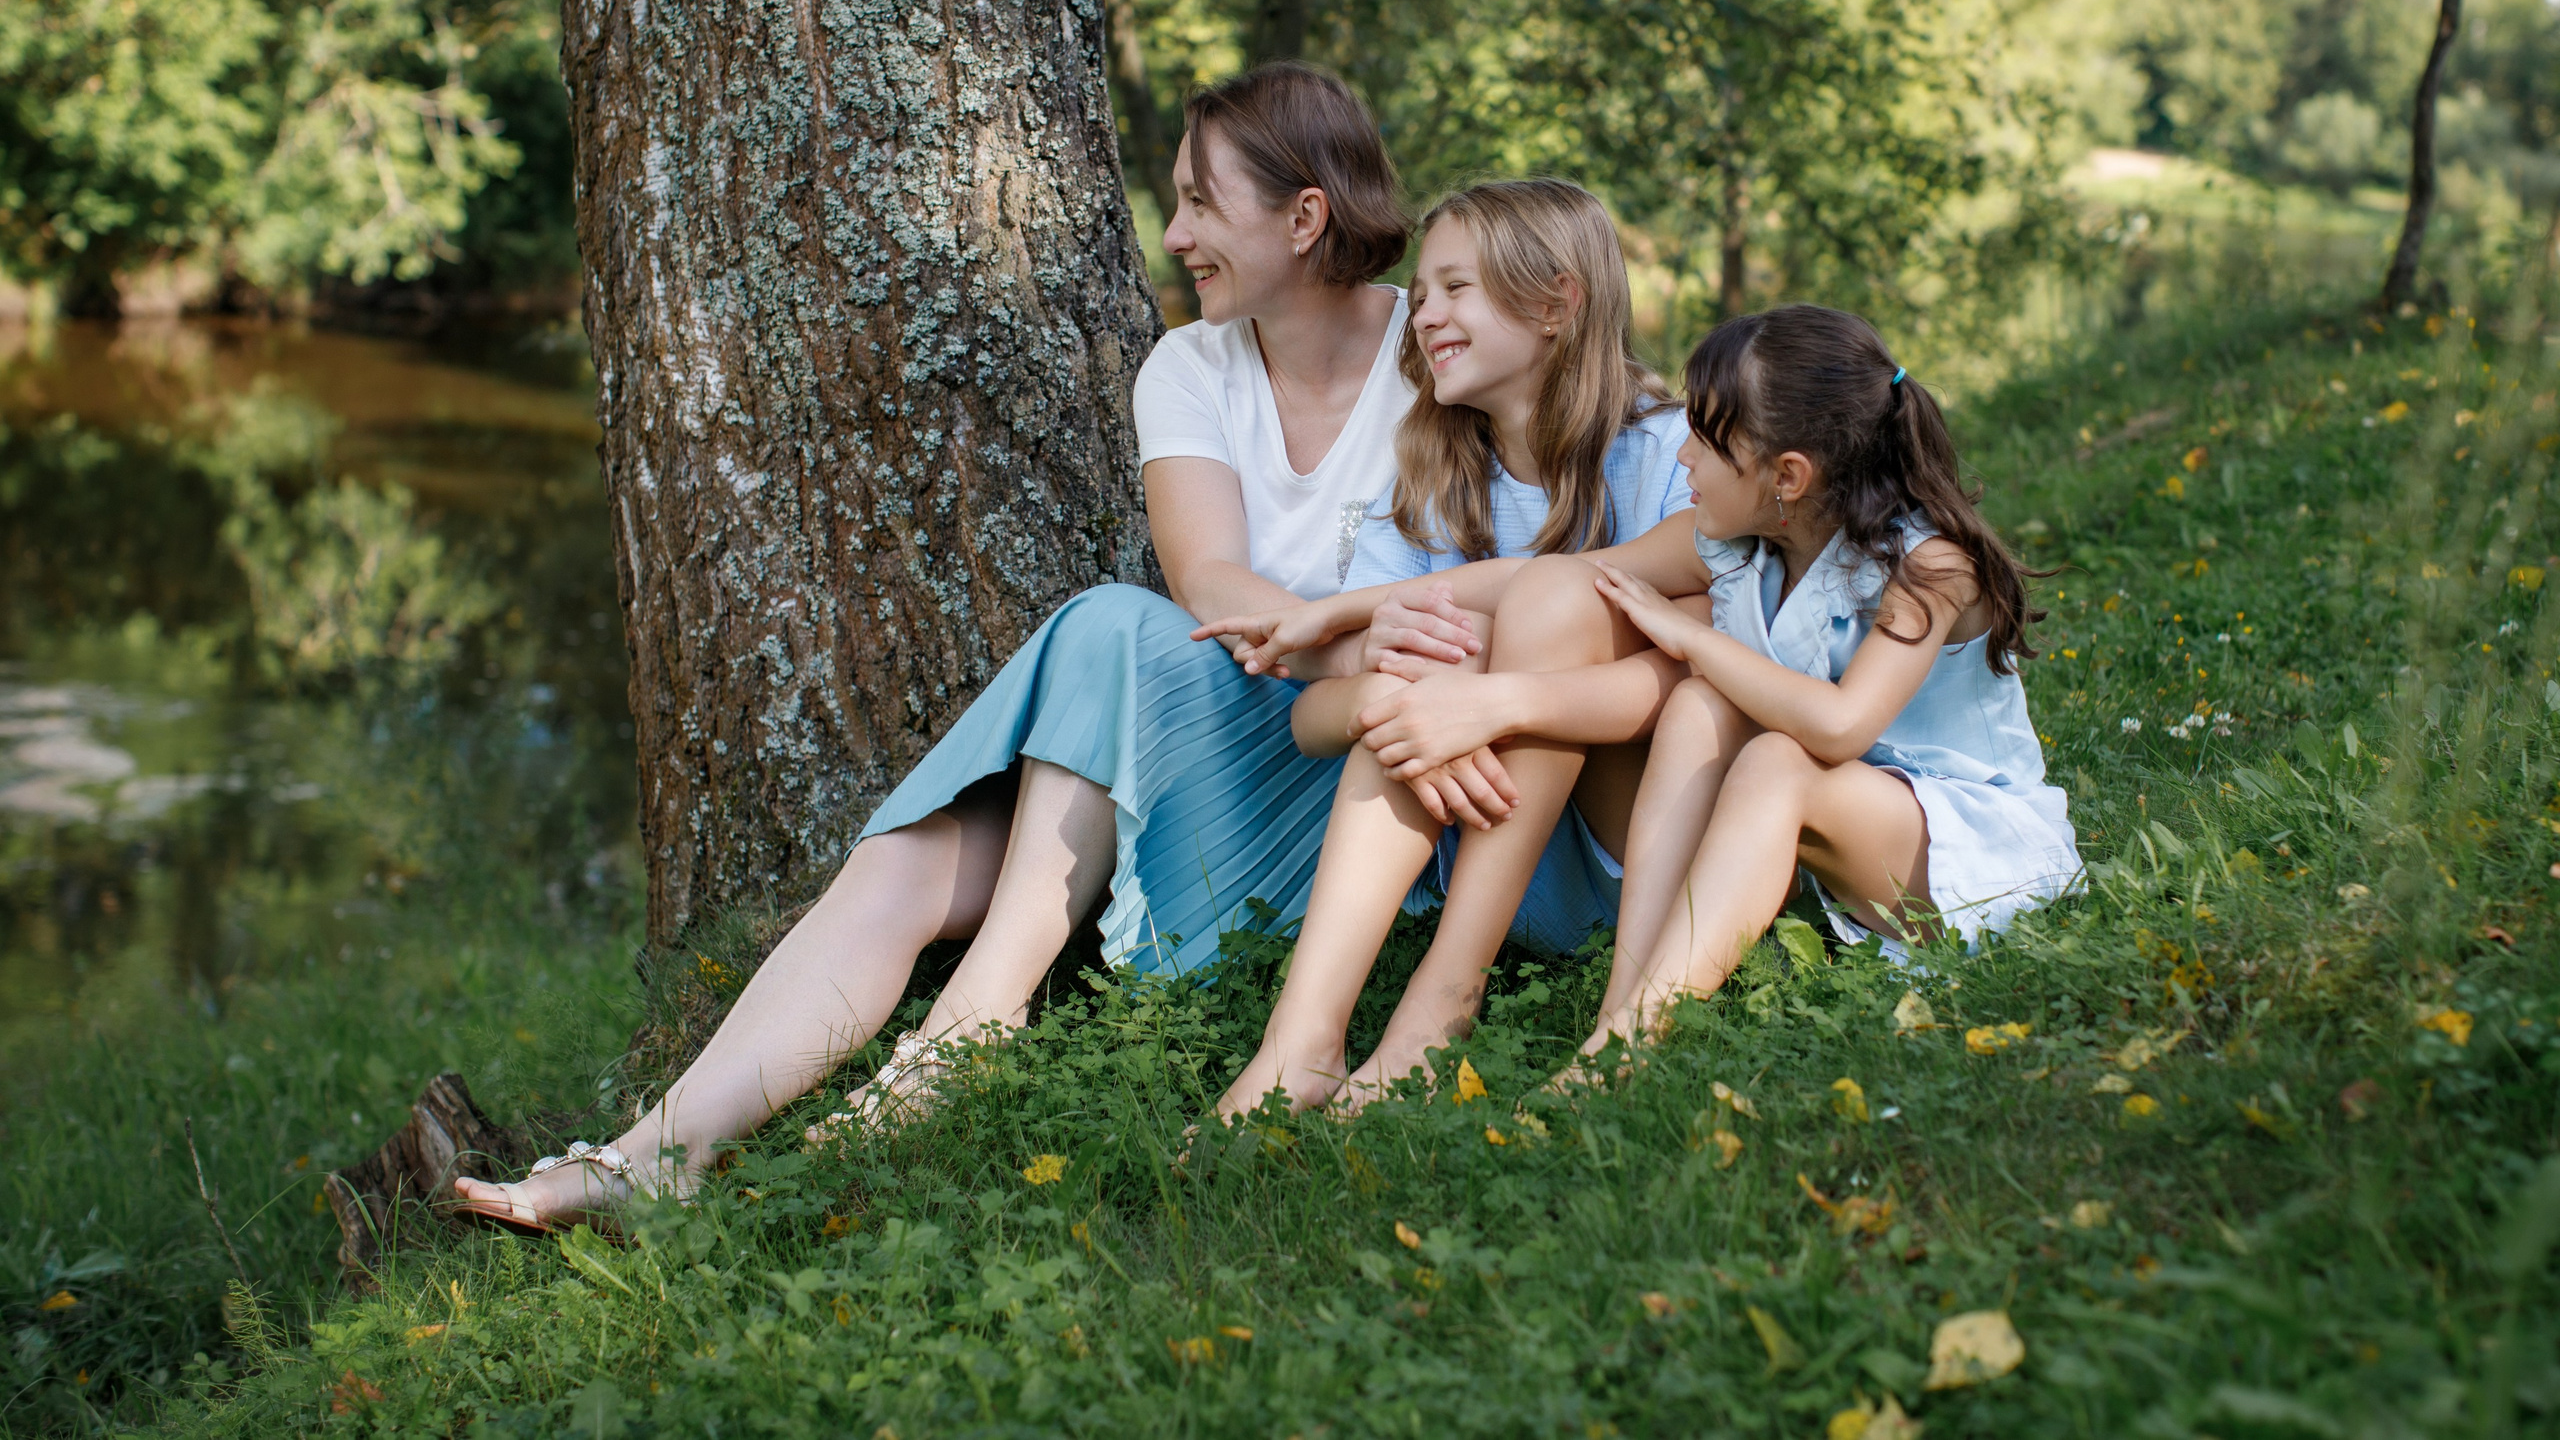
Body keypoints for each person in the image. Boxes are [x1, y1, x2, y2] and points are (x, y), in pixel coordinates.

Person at [452, 63, 1475, 1230]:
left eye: (1200, 201)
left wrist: (1358, 649)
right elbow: (1210, 586)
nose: (1176, 232)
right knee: (910, 858)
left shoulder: (1438, 353)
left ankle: (976, 1018)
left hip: (1351, 787)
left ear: (1305, 217)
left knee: (1106, 625)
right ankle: (654, 1155)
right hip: (1207, 720)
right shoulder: (1190, 368)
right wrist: (1348, 624)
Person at [1193, 179, 1701, 1120]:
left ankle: (1440, 1003)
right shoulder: (1431, 481)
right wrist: (1402, 699)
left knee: (1552, 594)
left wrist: (1501, 701)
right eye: (1420, 294)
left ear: (1557, 303)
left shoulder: (1667, 455)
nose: (1424, 315)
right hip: (1492, 848)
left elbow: (1701, 688)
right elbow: (1313, 719)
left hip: (1637, 852)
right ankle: (1300, 1040)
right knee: (1427, 661)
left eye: (1456, 288)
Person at [1538, 304, 2080, 1062]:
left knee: (1776, 756)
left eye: (1706, 437)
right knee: (1698, 704)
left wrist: (1690, 633)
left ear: (1787, 475)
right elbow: (1557, 580)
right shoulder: (1740, 544)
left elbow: (1840, 728)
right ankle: (1624, 1002)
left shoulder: (1931, 565)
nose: (1682, 456)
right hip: (1834, 825)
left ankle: (1631, 1044)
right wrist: (1348, 614)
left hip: (1957, 843)